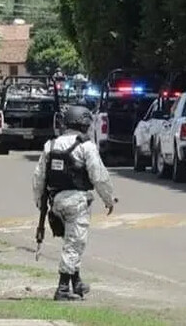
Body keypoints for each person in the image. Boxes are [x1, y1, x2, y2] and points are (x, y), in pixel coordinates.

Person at [32, 105, 116, 301]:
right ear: (85, 124)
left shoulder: (50, 145)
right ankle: (62, 288)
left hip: (56, 202)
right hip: (77, 202)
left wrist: (40, 203)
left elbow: (39, 178)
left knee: (71, 240)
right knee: (74, 244)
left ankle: (76, 282)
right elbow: (99, 176)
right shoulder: (86, 146)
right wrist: (109, 199)